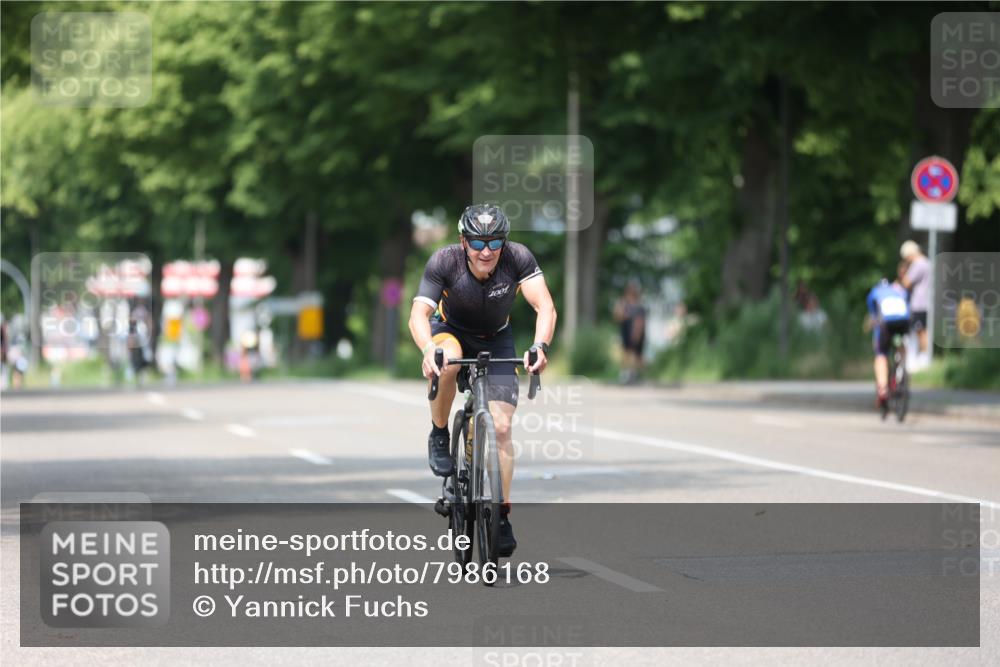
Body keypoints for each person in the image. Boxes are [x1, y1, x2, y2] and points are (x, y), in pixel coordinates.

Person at [409, 203, 556, 557]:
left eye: (494, 243)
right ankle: (440, 431)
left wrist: (539, 345)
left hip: (497, 338)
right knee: (446, 362)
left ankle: (501, 513)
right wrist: (429, 348)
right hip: (450, 332)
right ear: (464, 242)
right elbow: (418, 314)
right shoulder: (444, 261)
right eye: (477, 243)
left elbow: (545, 307)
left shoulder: (517, 258)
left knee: (502, 428)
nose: (486, 251)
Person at [866, 278, 910, 408]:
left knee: (881, 354)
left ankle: (883, 389)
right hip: (903, 321)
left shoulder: (874, 292)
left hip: (886, 323)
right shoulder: (898, 290)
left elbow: (874, 317)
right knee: (901, 343)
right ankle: (902, 367)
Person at [899, 240, 930, 358]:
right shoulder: (927, 262)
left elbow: (906, 283)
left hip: (919, 303)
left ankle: (922, 356)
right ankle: (923, 356)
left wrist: (903, 273)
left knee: (920, 331)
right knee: (922, 330)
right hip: (925, 302)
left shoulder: (918, 264)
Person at [613, 281, 646, 384]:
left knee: (636, 355)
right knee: (626, 353)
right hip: (625, 330)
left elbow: (641, 320)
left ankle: (634, 374)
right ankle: (626, 374)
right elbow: (617, 316)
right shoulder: (623, 303)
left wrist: (637, 333)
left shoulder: (639, 305)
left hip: (636, 331)